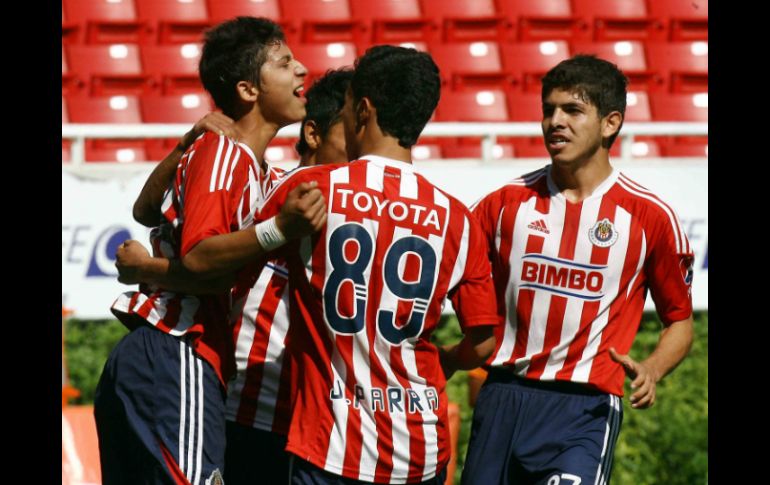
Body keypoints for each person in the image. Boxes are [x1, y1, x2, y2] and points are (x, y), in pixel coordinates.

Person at [253, 45, 500, 484]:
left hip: (330, 448)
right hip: (421, 452)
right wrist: (445, 360)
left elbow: (223, 262)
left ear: (363, 110)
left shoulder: (311, 188)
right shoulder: (457, 219)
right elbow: (483, 343)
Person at [95, 17, 325, 485]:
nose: (302, 70)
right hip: (178, 349)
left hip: (169, 356)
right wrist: (279, 229)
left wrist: (149, 267)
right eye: (284, 63)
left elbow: (146, 211)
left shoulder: (250, 166)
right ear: (248, 89)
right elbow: (203, 260)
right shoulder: (224, 152)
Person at [461, 55, 695, 485]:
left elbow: (679, 320)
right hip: (503, 398)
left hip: (584, 411)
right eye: (548, 109)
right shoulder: (502, 205)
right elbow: (451, 279)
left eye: (572, 110)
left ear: (610, 123)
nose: (555, 122)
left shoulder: (650, 218)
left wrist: (652, 368)